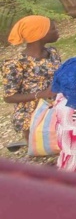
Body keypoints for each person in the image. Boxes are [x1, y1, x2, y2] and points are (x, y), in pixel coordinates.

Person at [2, 16, 60, 147]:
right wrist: (41, 94)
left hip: (57, 104)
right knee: (47, 146)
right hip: (33, 114)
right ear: (40, 34)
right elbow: (9, 97)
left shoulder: (52, 52)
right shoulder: (15, 63)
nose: (57, 31)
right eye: (53, 28)